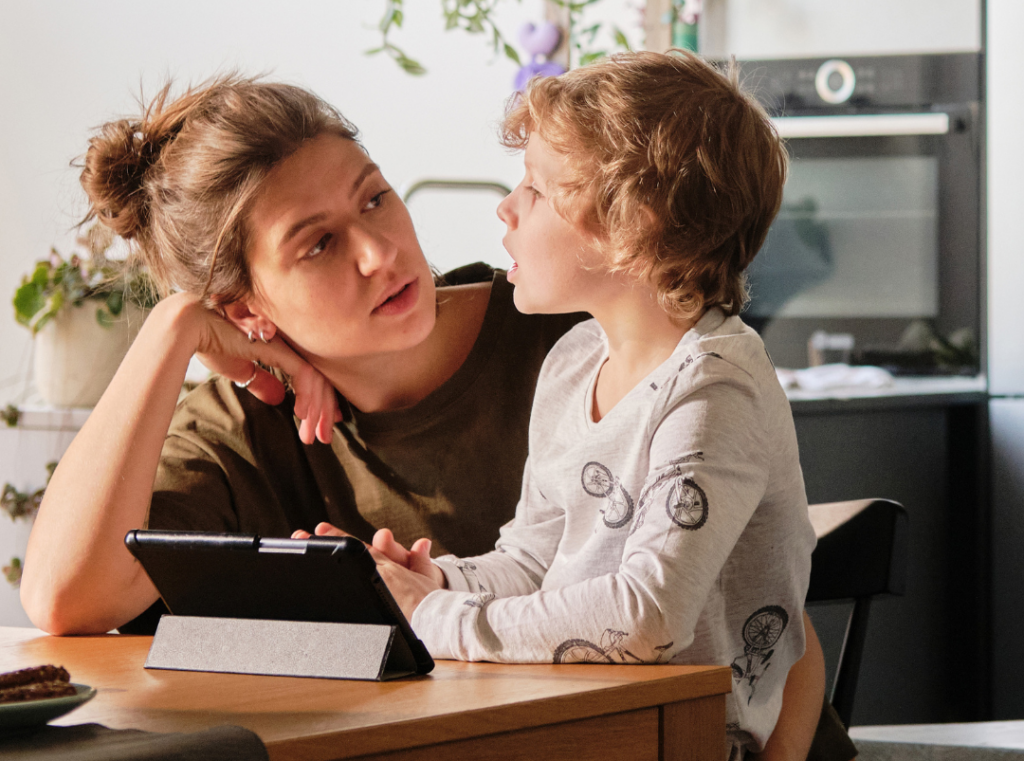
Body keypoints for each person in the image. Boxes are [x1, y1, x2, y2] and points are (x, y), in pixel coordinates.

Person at [20, 71, 848, 761]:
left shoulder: (585, 324)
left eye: (375, 199)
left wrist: (427, 612)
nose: (380, 252)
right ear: (245, 311)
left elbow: (762, 603)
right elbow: (63, 601)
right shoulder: (242, 428)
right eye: (318, 245)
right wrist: (169, 332)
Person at [335, 51, 814, 756]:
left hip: (673, 736)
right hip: (572, 715)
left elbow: (647, 616)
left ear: (631, 226)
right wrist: (432, 579)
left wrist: (434, 616)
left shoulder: (714, 389)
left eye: (534, 186)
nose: (506, 207)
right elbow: (532, 562)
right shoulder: (574, 361)